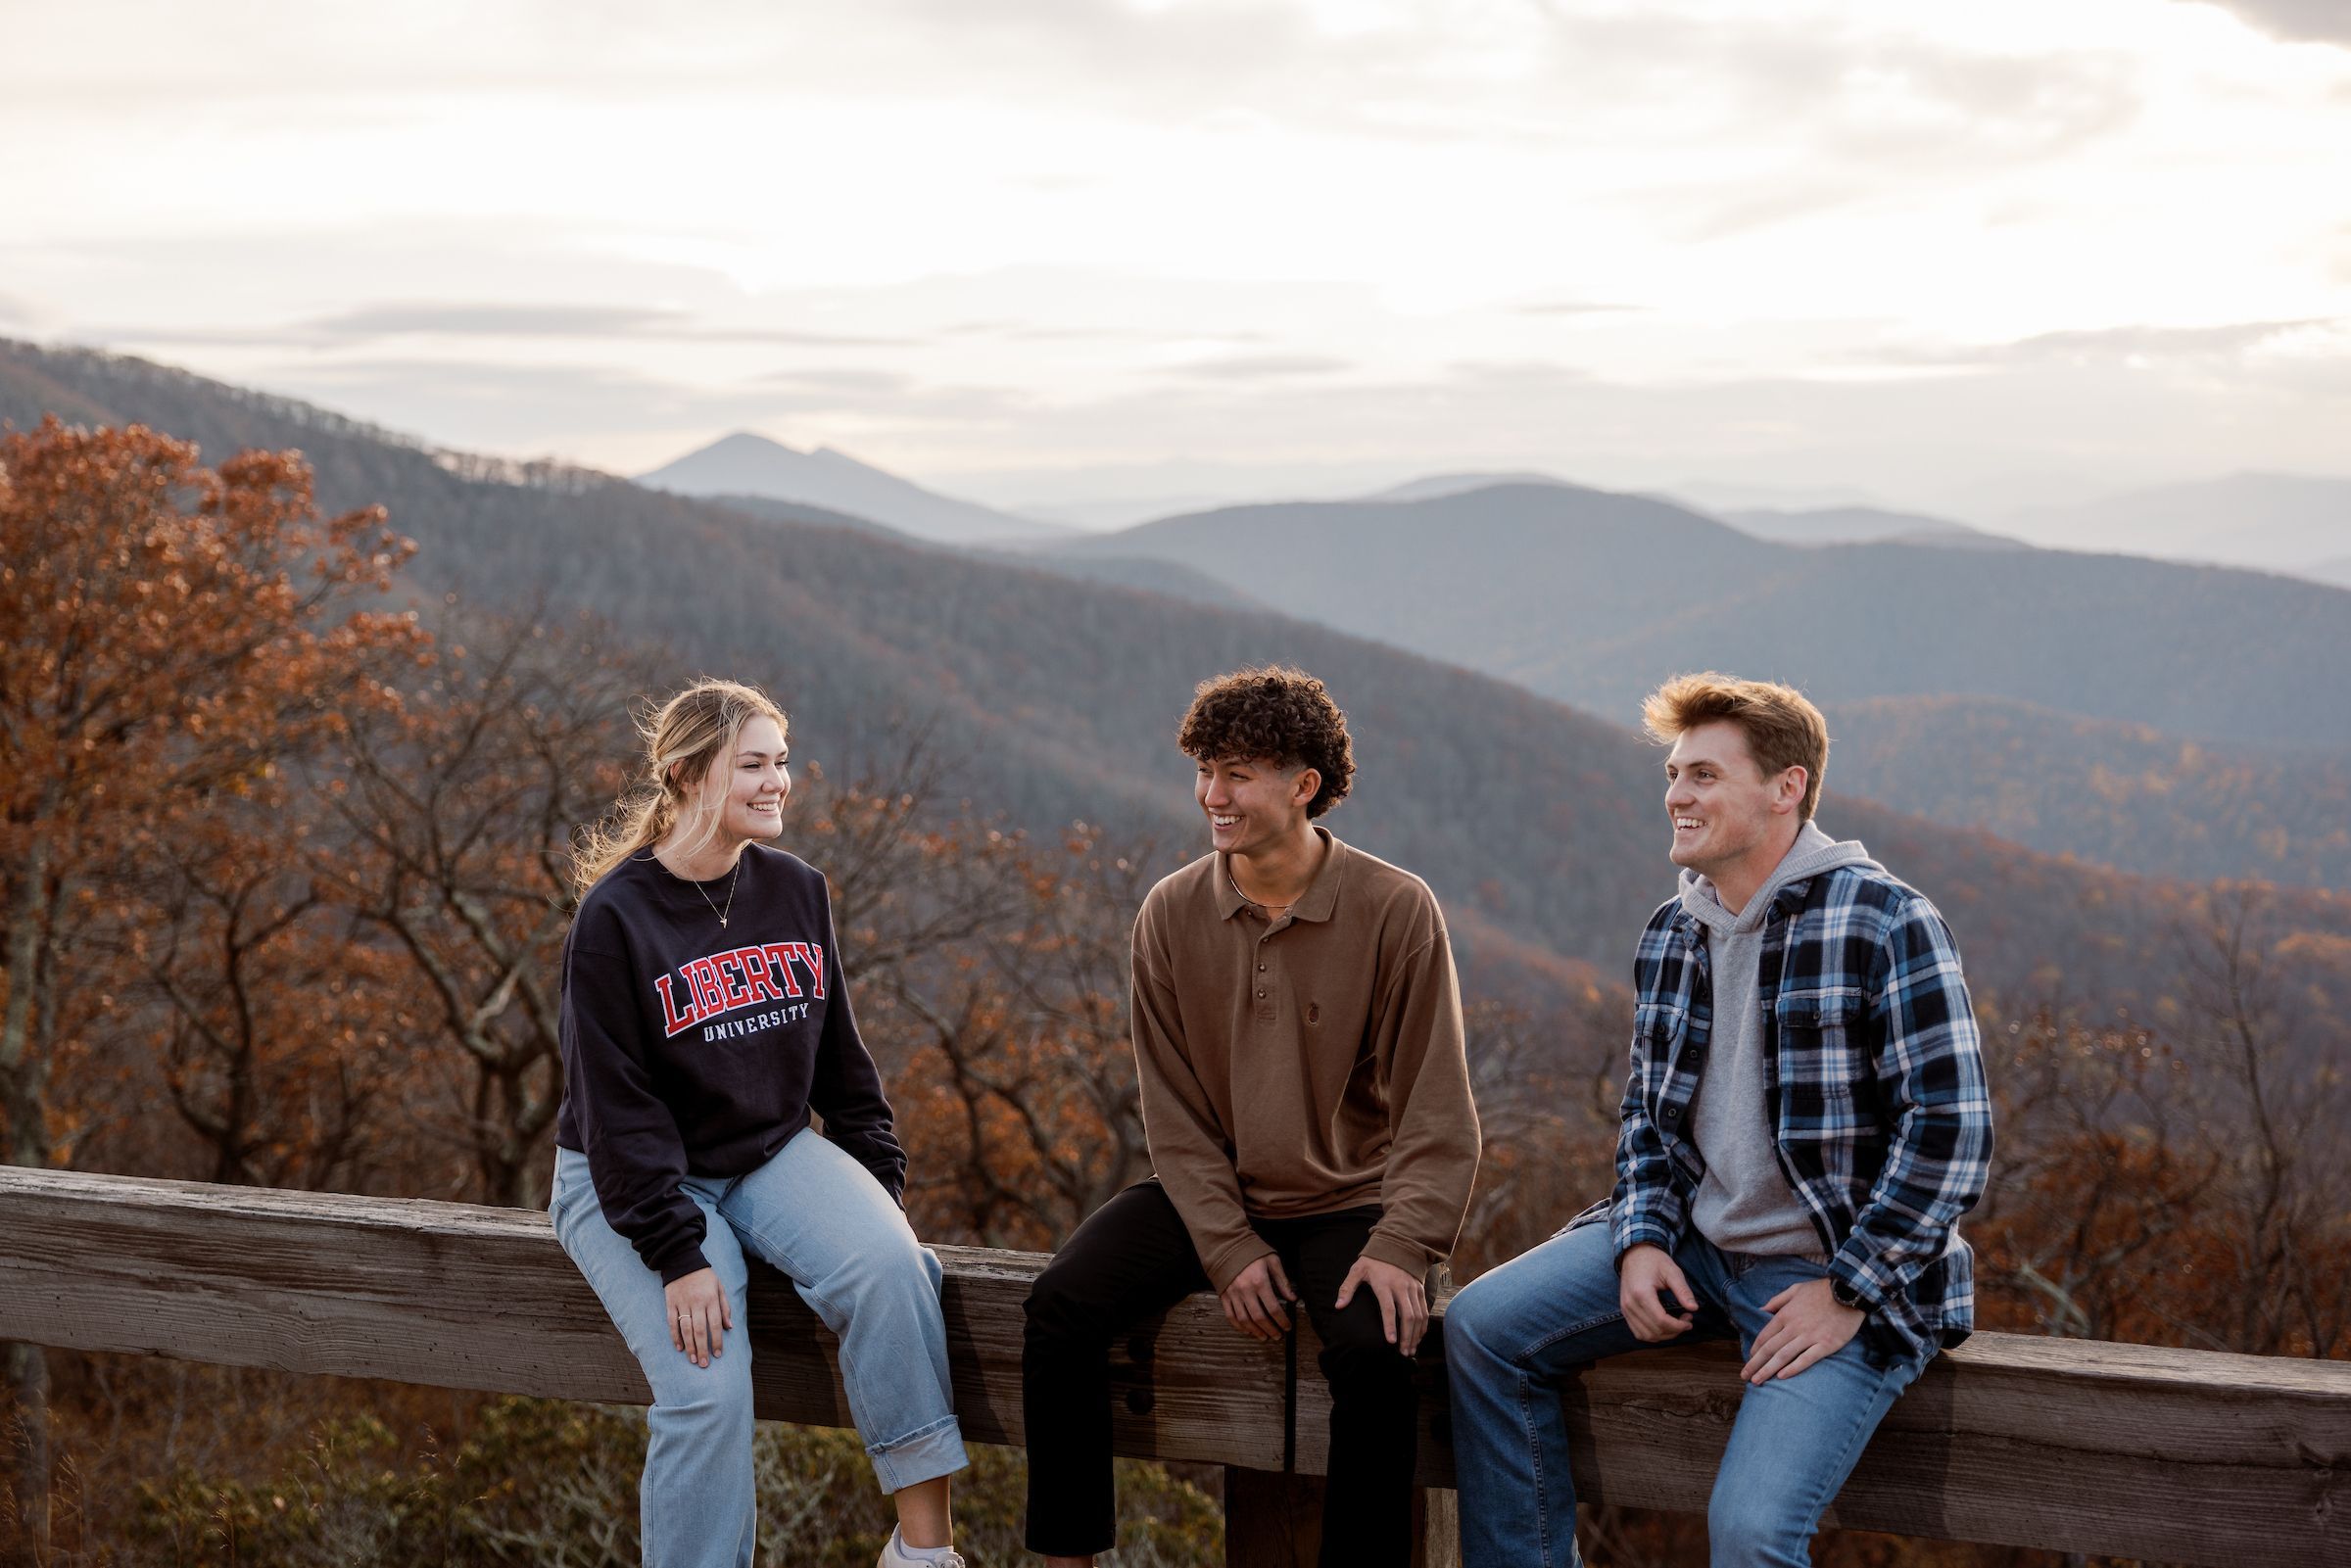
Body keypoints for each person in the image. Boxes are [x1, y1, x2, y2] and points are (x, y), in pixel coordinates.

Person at [1444, 672, 1993, 1567]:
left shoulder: (1886, 919)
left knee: (1748, 1532)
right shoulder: (1672, 931)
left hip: (1834, 1271)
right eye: (1672, 774)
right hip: (1697, 1250)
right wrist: (1642, 1237)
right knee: (1481, 1331)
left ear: (1788, 787)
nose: (1676, 795)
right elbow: (1650, 1120)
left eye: (1703, 774)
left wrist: (1849, 1287)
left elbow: (1951, 1132)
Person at [1022, 666, 1480, 1567]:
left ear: (1304, 785)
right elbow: (1174, 1110)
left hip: (1350, 1200)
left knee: (1378, 1350)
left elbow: (1437, 1106)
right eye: (1204, 770)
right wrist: (1228, 1245)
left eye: (1237, 773)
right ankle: (1070, 1558)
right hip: (1212, 1190)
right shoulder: (1171, 910)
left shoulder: (1395, 908)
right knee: (1058, 1306)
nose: (1212, 795)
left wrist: (1404, 1244)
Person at [551, 679, 968, 1568]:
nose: (777, 781)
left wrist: (872, 1196)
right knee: (705, 1391)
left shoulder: (796, 890)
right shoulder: (613, 920)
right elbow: (615, 1108)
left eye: (781, 762)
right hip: (634, 1184)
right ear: (686, 773)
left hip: (769, 1154)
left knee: (896, 1268)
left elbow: (842, 1065)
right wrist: (679, 1255)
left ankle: (922, 1551)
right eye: (753, 764)